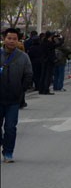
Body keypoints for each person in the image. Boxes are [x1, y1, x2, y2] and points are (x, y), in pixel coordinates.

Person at [1, 28, 33, 163]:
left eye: (14, 39)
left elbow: (29, 74)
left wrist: (21, 90)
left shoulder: (23, 57)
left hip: (13, 100)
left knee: (10, 127)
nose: (12, 41)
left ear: (18, 40)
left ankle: (8, 153)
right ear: (4, 39)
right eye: (9, 38)